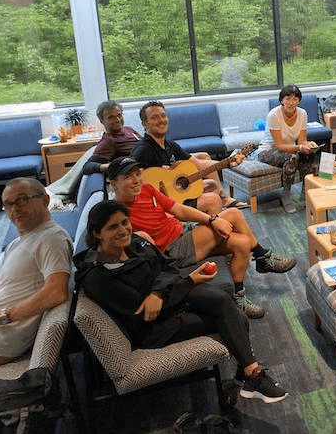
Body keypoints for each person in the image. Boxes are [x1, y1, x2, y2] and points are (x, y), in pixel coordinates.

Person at [74, 200, 287, 403]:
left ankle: (249, 373)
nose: (123, 230)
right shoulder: (97, 276)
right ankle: (252, 376)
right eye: (113, 227)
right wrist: (185, 283)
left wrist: (158, 293)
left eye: (124, 222)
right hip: (155, 327)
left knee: (223, 299)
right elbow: (144, 312)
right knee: (237, 316)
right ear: (96, 233)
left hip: (170, 298)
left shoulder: (134, 243)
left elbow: (167, 268)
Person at [107, 156, 296, 319]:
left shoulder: (146, 190)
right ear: (113, 183)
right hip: (171, 249)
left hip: (183, 231)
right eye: (127, 177)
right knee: (233, 214)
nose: (135, 180)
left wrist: (210, 220)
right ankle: (263, 256)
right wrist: (214, 220)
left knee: (242, 243)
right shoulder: (116, 213)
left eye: (137, 174)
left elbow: (178, 209)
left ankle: (239, 297)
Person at [0, 178, 71, 368]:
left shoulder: (52, 239)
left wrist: (0, 317)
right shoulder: (16, 243)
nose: (15, 209)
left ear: (45, 201)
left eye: (23, 200)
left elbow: (57, 292)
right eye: (8, 204)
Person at [131, 100, 247, 213]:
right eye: (154, 117)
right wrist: (161, 193)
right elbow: (133, 180)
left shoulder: (170, 145)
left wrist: (228, 163)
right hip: (160, 205)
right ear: (144, 123)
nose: (161, 120)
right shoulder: (143, 149)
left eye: (163, 116)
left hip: (175, 197)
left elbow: (200, 165)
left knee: (212, 185)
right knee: (213, 200)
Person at [257, 85, 321, 214]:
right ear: (282, 100)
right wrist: (300, 147)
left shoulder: (302, 113)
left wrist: (308, 145)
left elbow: (302, 141)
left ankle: (306, 194)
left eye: (295, 99)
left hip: (289, 149)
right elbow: (280, 146)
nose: (291, 102)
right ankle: (286, 196)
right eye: (288, 99)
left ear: (299, 101)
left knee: (311, 155)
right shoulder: (274, 115)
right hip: (268, 151)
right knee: (292, 157)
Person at [82, 100, 142, 175]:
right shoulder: (108, 141)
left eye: (119, 115)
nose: (117, 120)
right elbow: (87, 167)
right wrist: (112, 166)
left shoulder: (129, 130)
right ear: (102, 121)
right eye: (111, 117)